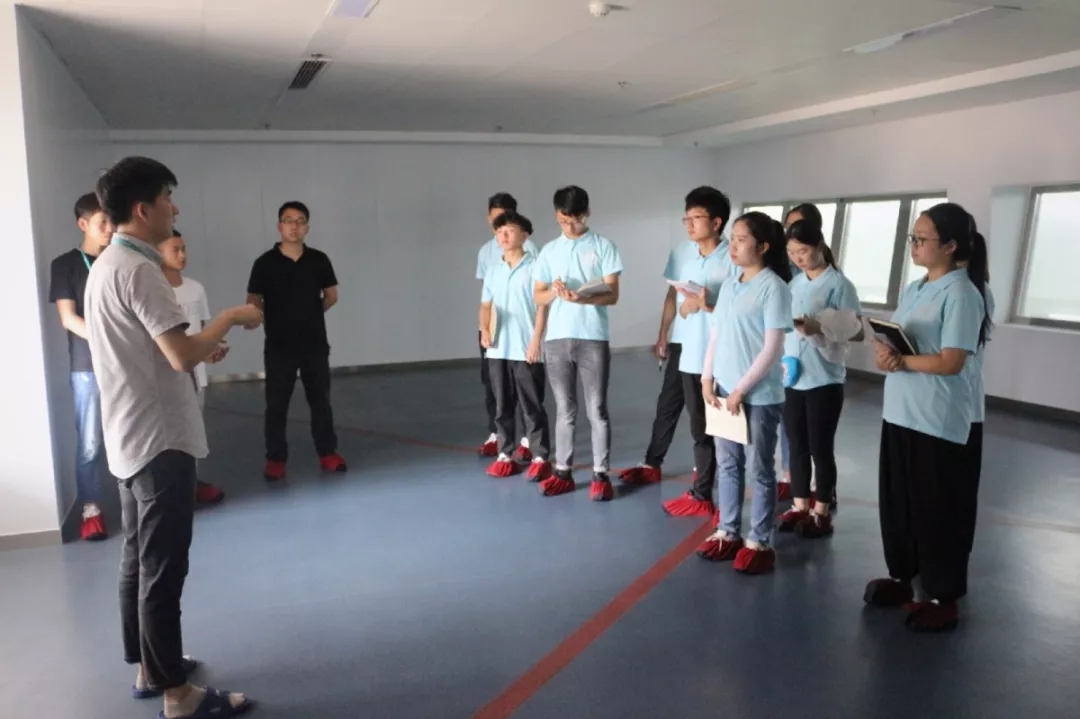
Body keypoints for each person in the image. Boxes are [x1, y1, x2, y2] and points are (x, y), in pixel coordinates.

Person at [85, 155, 260, 717]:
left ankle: (149, 666)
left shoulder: (106, 265)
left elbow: (155, 350)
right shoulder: (141, 272)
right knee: (162, 566)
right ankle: (177, 695)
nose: (175, 208)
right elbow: (181, 355)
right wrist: (228, 318)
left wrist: (202, 343)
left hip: (128, 433)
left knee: (138, 557)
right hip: (159, 439)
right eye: (168, 198)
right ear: (144, 209)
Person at [865, 202, 991, 633]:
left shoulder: (962, 294)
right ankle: (903, 576)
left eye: (922, 238)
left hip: (938, 420)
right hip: (901, 412)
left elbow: (952, 361)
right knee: (898, 503)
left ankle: (943, 595)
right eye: (912, 237)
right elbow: (902, 341)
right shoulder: (916, 288)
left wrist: (901, 361)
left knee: (938, 510)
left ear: (951, 246)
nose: (914, 245)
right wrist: (885, 354)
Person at [695, 212, 793, 575]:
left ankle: (759, 540)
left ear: (763, 246)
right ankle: (728, 530)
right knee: (728, 464)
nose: (733, 246)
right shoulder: (731, 284)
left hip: (759, 395)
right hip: (724, 389)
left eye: (740, 239)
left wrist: (740, 389)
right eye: (732, 239)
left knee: (761, 468)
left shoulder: (774, 287)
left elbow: (772, 348)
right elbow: (717, 334)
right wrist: (707, 377)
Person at [649, 186, 736, 517]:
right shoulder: (685, 255)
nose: (689, 224)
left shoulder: (732, 258)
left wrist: (706, 303)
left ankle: (720, 500)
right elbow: (674, 298)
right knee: (698, 427)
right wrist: (666, 330)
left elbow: (739, 307)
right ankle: (702, 493)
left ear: (716, 222)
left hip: (721, 356)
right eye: (686, 218)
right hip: (689, 353)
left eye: (696, 218)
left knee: (723, 430)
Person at [533, 185, 623, 501]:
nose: (570, 227)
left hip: (592, 337)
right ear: (556, 216)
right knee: (564, 408)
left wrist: (582, 298)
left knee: (596, 408)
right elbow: (538, 295)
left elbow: (612, 294)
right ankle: (563, 471)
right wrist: (555, 292)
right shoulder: (548, 251)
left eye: (575, 220)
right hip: (556, 340)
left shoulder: (604, 246)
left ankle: (601, 473)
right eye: (563, 221)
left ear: (587, 213)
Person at [247, 201, 346, 481]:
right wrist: (259, 318)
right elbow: (253, 299)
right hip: (279, 347)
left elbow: (331, 296)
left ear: (307, 227)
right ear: (279, 226)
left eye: (300, 221)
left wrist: (309, 314)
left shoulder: (319, 260)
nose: (294, 226)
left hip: (314, 345)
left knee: (321, 401)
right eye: (288, 220)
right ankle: (276, 459)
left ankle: (328, 453)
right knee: (276, 405)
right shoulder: (264, 263)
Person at [775, 220, 862, 538]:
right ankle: (799, 506)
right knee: (796, 444)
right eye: (792, 252)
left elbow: (856, 329)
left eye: (803, 251)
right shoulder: (794, 284)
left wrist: (819, 326)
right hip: (792, 376)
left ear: (820, 247)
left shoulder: (839, 284)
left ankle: (821, 511)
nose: (798, 258)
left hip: (824, 378)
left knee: (820, 448)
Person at [48, 193, 115, 541]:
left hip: (127, 365)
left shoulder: (120, 261)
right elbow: (68, 318)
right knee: (90, 442)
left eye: (112, 221)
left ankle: (140, 501)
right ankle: (91, 508)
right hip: (87, 366)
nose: (110, 228)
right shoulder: (65, 265)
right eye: (103, 222)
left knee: (132, 435)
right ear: (83, 224)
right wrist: (109, 341)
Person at [479, 210, 552, 480]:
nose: (504, 236)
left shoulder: (536, 267)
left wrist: (535, 341)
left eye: (509, 230)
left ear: (525, 235)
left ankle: (540, 455)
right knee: (502, 405)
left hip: (525, 348)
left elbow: (542, 307)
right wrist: (485, 329)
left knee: (531, 405)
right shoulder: (493, 271)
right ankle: (504, 454)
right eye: (499, 232)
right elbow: (485, 306)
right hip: (498, 348)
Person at [160, 229, 227, 505]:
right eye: (174, 249)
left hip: (196, 374)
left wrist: (213, 348)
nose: (182, 255)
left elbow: (205, 331)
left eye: (184, 248)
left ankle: (192, 483)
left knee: (194, 430)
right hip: (168, 374)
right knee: (169, 434)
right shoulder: (155, 291)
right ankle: (170, 489)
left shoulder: (196, 288)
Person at [476, 192, 538, 460]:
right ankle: (498, 437)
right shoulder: (486, 253)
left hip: (523, 332)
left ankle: (528, 440)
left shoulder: (530, 249)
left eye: (504, 221)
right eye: (495, 220)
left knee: (527, 390)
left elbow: (538, 296)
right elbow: (486, 297)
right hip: (495, 331)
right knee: (495, 387)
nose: (500, 229)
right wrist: (485, 327)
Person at [776, 203, 822, 499]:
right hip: (789, 357)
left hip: (819, 369)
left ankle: (822, 489)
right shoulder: (787, 271)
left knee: (815, 435)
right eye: (787, 227)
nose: (790, 233)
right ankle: (791, 477)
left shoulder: (829, 277)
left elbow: (851, 329)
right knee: (789, 423)